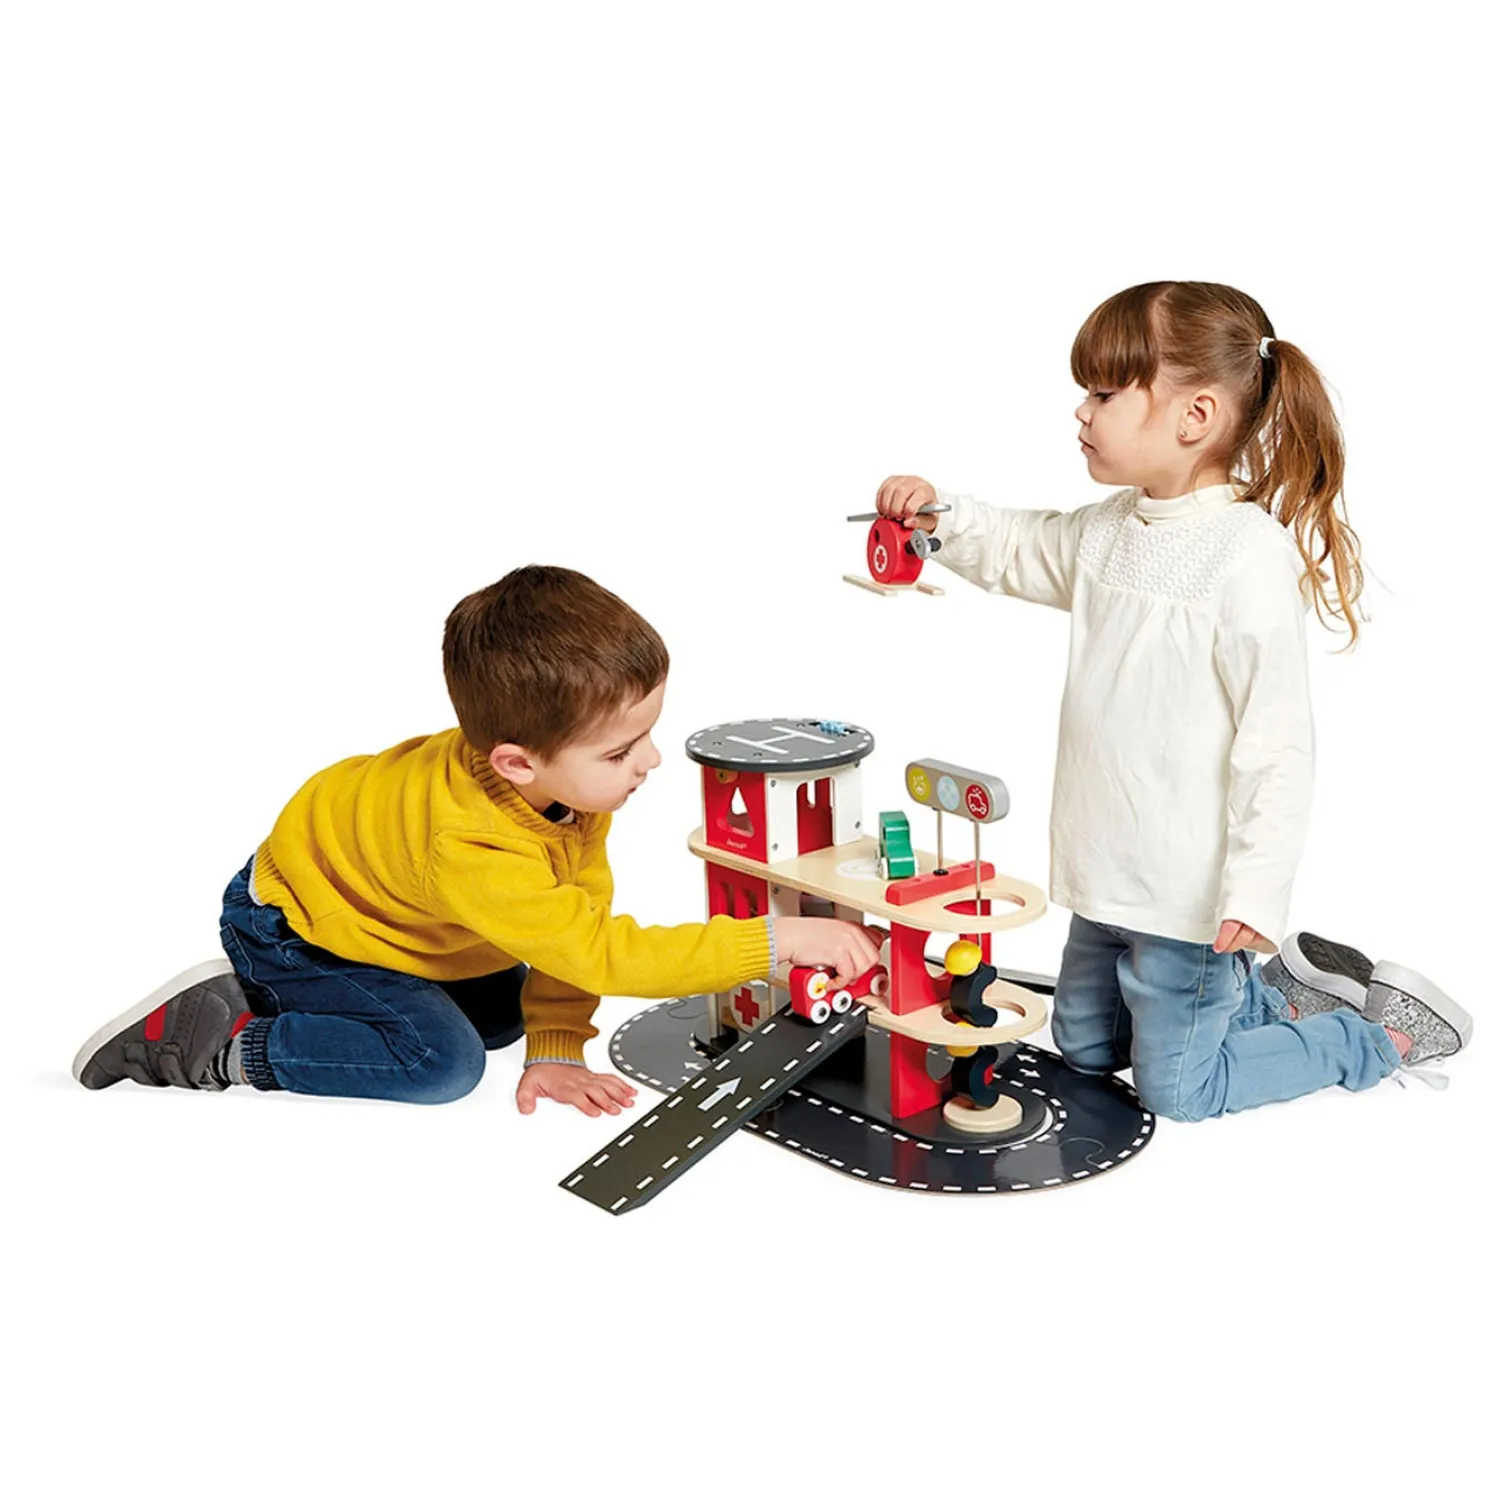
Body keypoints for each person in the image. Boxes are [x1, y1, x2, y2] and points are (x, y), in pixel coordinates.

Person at [873, 280, 1471, 1120]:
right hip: (1103, 879)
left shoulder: (1245, 558)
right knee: (1085, 1050)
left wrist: (1254, 894)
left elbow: (1278, 744)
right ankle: (1264, 1000)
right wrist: (938, 520)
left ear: (1195, 416)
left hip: (1185, 902)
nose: (1082, 411)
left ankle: (1369, 1039)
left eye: (1105, 394)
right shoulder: (1110, 530)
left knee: (1181, 1091)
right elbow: (1021, 546)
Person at [73, 566, 881, 1114]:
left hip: (386, 908)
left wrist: (555, 1045)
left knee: (502, 1022)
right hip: (295, 926)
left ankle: (313, 1000)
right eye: (620, 752)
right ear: (517, 763)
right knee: (441, 1065)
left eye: (645, 735)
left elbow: (576, 918)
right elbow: (604, 953)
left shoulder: (562, 786)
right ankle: (221, 1036)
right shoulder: (471, 843)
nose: (651, 761)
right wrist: (773, 942)